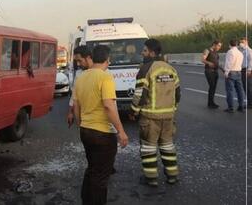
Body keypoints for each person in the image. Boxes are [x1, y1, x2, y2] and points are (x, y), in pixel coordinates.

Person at [73, 45, 128, 205]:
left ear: (92, 57)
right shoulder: (105, 77)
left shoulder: (81, 78)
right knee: (101, 177)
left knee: (92, 170)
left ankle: (86, 201)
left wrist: (81, 125)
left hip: (86, 130)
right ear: (107, 59)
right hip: (102, 134)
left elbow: (76, 106)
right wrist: (121, 131)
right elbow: (109, 106)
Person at [130, 39, 181, 187]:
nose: (142, 53)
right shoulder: (171, 69)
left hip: (150, 117)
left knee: (148, 148)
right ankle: (172, 175)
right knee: (167, 146)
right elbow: (178, 94)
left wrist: (133, 111)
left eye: (145, 50)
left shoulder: (146, 69)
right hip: (169, 116)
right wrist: (173, 110)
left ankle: (151, 178)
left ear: (152, 53)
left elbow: (139, 94)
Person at [66, 46, 93, 127]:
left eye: (79, 61)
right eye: (76, 61)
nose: (78, 64)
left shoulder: (104, 73)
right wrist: (70, 112)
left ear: (88, 58)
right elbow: (74, 95)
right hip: (84, 120)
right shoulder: (79, 74)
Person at [224, 39, 245, 113]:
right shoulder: (240, 53)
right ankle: (241, 106)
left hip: (231, 72)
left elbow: (229, 63)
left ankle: (231, 107)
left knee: (230, 90)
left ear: (230, 44)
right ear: (236, 44)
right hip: (239, 72)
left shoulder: (230, 52)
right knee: (240, 90)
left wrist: (226, 72)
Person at [201, 40, 223, 108]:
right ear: (214, 44)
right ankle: (210, 103)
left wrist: (222, 69)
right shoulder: (207, 50)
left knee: (214, 87)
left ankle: (211, 102)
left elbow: (217, 63)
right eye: (219, 46)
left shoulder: (216, 52)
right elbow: (202, 59)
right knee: (212, 86)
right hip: (209, 71)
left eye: (220, 46)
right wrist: (209, 63)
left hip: (215, 71)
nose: (219, 47)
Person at [239, 37, 252, 108]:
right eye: (240, 42)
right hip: (243, 70)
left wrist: (249, 70)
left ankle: (250, 103)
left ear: (246, 42)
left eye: (242, 42)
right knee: (245, 87)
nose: (241, 44)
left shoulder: (249, 50)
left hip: (247, 70)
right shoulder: (242, 51)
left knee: (248, 87)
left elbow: (251, 61)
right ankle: (250, 102)